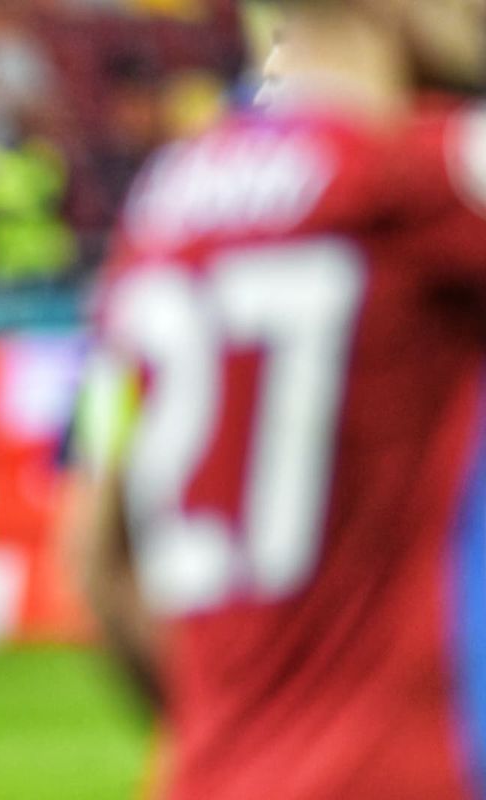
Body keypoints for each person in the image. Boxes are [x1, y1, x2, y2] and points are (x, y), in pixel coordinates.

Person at [81, 0, 486, 796]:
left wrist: (250, 731)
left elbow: (97, 562)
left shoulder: (162, 203)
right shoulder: (421, 175)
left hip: (215, 771)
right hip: (392, 770)